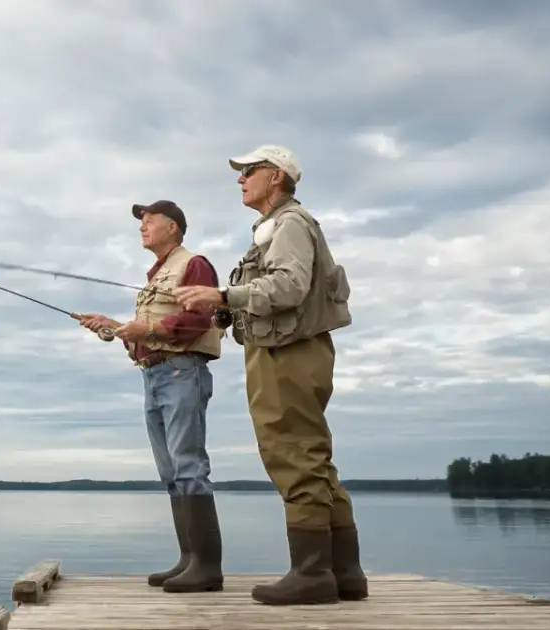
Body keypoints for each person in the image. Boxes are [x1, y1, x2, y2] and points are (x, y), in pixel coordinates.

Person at [174, 145, 369, 606]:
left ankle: (312, 574)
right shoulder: (275, 228)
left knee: (291, 453)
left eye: (249, 171)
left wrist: (223, 295)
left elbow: (289, 286)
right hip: (285, 350)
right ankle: (344, 573)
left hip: (288, 354)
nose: (240, 179)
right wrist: (224, 308)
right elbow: (274, 293)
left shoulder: (290, 224)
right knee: (314, 460)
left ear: (276, 176)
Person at [77, 200, 225, 593]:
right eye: (141, 222)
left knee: (189, 466)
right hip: (154, 375)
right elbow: (146, 332)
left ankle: (208, 568)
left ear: (173, 227)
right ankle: (189, 560)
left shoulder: (194, 264)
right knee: (170, 473)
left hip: (182, 372)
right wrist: (115, 328)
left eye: (149, 220)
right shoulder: (154, 275)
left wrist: (146, 330)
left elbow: (198, 319)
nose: (142, 226)